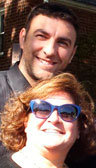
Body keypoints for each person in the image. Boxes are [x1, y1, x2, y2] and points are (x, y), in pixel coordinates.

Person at [0, 3, 78, 156]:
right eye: (41, 36)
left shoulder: (72, 113)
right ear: (23, 38)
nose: (49, 51)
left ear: (72, 53)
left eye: (62, 43)